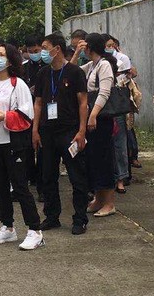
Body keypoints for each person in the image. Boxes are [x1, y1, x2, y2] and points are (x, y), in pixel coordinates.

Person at [0, 44, 44, 250]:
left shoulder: (18, 84)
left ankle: (35, 230)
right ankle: (7, 226)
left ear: (11, 60)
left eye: (2, 55)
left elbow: (26, 115)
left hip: (13, 144)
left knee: (20, 187)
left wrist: (4, 116)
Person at [33, 33, 90, 235]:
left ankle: (80, 218)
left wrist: (81, 131)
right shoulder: (43, 73)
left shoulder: (74, 72)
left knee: (77, 176)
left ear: (57, 49)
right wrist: (35, 130)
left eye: (45, 47)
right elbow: (38, 103)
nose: (43, 52)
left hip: (69, 131)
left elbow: (83, 103)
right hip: (47, 132)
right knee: (48, 176)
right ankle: (52, 216)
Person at [82, 33, 119, 217]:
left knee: (104, 158)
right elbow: (71, 70)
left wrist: (93, 115)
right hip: (92, 117)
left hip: (101, 118)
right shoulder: (92, 65)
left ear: (90, 48)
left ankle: (109, 202)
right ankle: (98, 198)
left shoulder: (104, 65)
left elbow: (104, 92)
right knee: (93, 158)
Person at [102, 34, 130, 194]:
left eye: (112, 45)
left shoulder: (119, 60)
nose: (110, 48)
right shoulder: (95, 63)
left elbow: (127, 78)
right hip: (101, 107)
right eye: (107, 45)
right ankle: (108, 178)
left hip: (116, 104)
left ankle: (121, 178)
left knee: (119, 143)